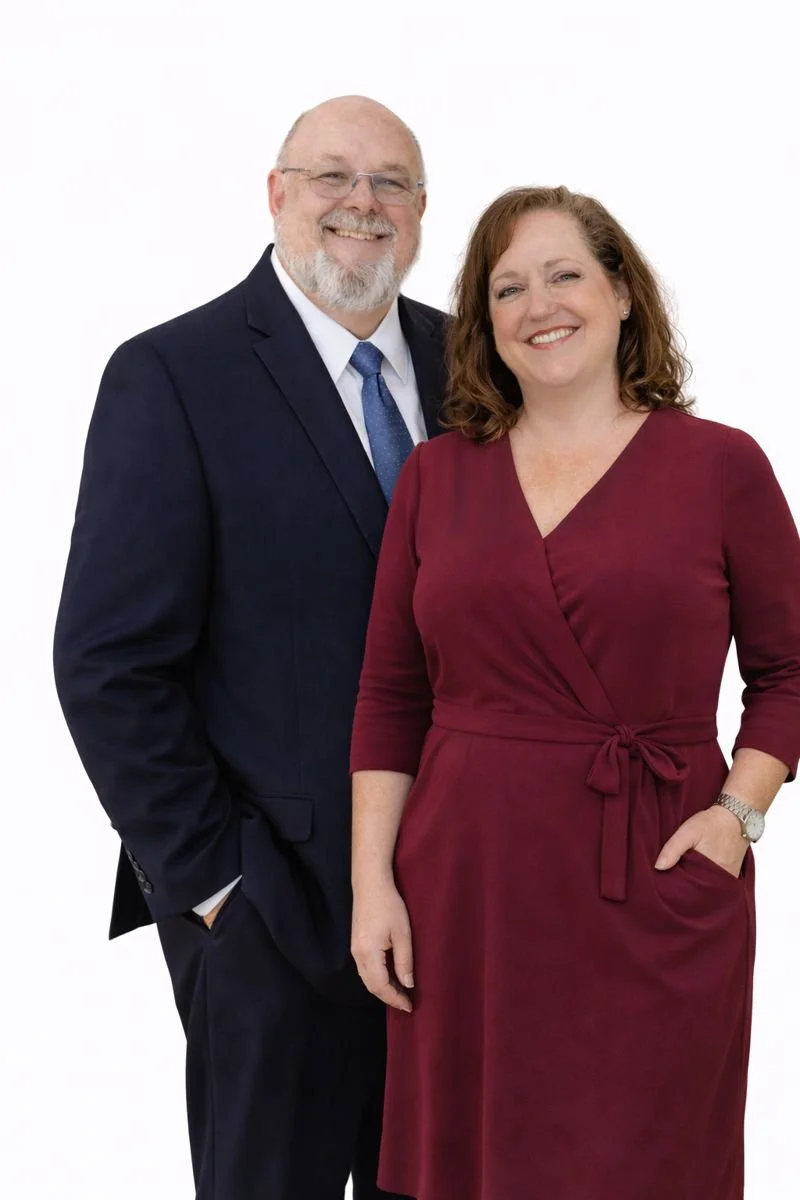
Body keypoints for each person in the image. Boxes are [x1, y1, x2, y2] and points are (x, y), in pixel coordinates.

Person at [349, 185, 800, 1200]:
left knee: (645, 1163)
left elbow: (788, 671)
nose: (536, 303)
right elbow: (388, 695)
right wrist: (372, 884)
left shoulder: (719, 467)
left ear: (620, 294)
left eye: (562, 275)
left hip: (651, 871)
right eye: (505, 287)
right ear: (483, 324)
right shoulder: (434, 477)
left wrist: (737, 815)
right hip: (466, 889)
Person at [53, 94, 446, 1200]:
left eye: (390, 184)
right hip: (274, 912)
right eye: (331, 176)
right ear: (276, 195)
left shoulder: (472, 365)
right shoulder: (174, 374)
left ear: (420, 213)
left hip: (462, 899)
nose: (359, 205)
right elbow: (107, 661)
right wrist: (217, 888)